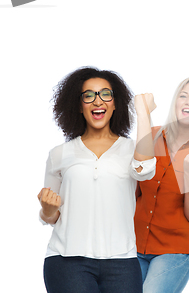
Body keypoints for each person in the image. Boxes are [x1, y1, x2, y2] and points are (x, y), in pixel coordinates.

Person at [38, 67, 157, 293]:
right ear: (79, 106)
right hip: (67, 261)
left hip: (123, 263)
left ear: (115, 103)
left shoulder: (133, 149)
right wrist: (46, 209)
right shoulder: (59, 154)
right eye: (89, 95)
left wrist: (143, 113)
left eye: (105, 94)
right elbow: (51, 217)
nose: (97, 101)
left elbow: (144, 170)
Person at [134, 77, 189, 293]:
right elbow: (134, 191)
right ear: (175, 102)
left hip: (175, 249)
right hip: (135, 243)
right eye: (184, 95)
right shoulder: (151, 136)